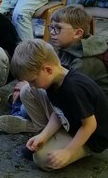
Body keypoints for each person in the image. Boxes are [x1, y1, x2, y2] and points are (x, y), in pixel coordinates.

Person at [0, 5, 108, 134]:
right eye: (52, 27)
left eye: (58, 28)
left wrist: (29, 87)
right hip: (71, 100)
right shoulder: (69, 47)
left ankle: (30, 120)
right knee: (27, 93)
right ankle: (27, 115)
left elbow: (68, 93)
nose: (53, 33)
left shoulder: (85, 61)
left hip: (88, 112)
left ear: (78, 33)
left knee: (25, 102)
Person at [7, 38, 108, 170]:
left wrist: (68, 152)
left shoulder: (73, 89)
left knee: (41, 158)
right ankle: (48, 134)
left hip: (91, 138)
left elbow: (89, 125)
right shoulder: (54, 78)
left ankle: (73, 146)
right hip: (71, 123)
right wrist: (44, 135)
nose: (32, 85)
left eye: (32, 81)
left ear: (48, 70)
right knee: (26, 91)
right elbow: (58, 112)